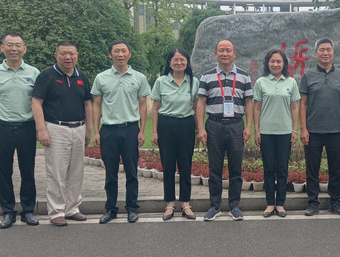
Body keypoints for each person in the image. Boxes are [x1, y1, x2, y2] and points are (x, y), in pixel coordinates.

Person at [0, 33, 40, 229]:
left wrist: (41, 128)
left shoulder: (34, 73)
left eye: (18, 45)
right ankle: (8, 211)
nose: (14, 49)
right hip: (2, 128)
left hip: (27, 128)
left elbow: (39, 103)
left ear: (24, 49)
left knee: (28, 171)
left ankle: (28, 210)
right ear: (2, 48)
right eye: (9, 45)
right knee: (4, 172)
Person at [31, 41, 93, 226]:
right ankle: (56, 210)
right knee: (56, 172)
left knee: (76, 172)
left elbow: (87, 104)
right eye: (63, 53)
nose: (68, 57)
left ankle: (72, 208)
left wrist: (88, 129)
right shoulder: (47, 76)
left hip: (79, 128)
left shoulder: (81, 76)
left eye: (72, 54)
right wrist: (41, 129)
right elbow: (36, 103)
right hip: (56, 128)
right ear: (56, 55)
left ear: (77, 55)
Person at [91, 40, 150, 224]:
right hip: (108, 130)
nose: (120, 54)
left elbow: (143, 105)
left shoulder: (139, 77)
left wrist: (142, 131)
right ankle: (110, 208)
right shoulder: (101, 78)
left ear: (129, 54)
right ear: (110, 55)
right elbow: (97, 105)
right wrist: (96, 132)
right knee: (111, 173)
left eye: (124, 51)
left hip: (131, 129)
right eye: (116, 51)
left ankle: (132, 207)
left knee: (132, 171)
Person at [195, 39, 254, 221]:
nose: (225, 53)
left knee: (236, 168)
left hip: (236, 125)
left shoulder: (244, 76)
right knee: (215, 168)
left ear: (234, 54)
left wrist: (248, 126)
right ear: (216, 54)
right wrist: (200, 128)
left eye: (228, 50)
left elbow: (249, 102)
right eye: (221, 50)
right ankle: (215, 206)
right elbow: (201, 103)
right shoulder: (207, 77)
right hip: (214, 125)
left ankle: (234, 206)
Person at [299, 38, 340, 216]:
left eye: (328, 49)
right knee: (312, 169)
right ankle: (313, 202)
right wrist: (303, 129)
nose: (325, 53)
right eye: (322, 50)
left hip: (336, 130)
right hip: (313, 131)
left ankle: (335, 202)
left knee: (336, 169)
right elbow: (302, 104)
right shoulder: (308, 75)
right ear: (316, 53)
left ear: (333, 52)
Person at [150, 48, 199, 221]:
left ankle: (186, 203)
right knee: (168, 165)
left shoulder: (193, 82)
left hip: (186, 125)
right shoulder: (161, 81)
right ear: (169, 63)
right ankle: (170, 203)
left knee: (186, 165)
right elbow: (155, 108)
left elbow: (196, 108)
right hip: (166, 125)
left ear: (187, 62)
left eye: (182, 59)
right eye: (175, 60)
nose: (179, 63)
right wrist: (154, 131)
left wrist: (198, 130)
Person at [253, 49, 301, 218]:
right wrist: (256, 130)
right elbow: (257, 107)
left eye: (279, 61)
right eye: (272, 61)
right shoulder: (261, 82)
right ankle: (269, 204)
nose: (275, 64)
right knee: (268, 169)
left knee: (282, 169)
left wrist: (294, 129)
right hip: (266, 131)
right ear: (267, 63)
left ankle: (280, 204)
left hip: (284, 131)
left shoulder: (291, 82)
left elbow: (295, 107)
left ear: (284, 64)